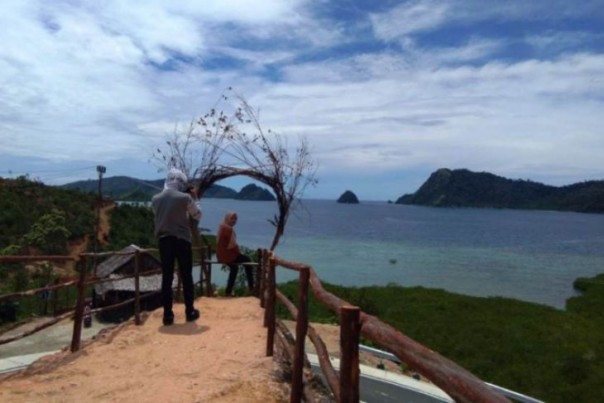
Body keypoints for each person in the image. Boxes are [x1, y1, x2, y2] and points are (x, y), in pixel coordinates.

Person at [151, 168, 201, 325]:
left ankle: (167, 315)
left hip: (164, 241)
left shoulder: (155, 199)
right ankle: (190, 312)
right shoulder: (185, 198)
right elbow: (197, 215)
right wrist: (195, 197)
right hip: (182, 241)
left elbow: (161, 213)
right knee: (186, 276)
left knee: (167, 278)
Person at [216, 212, 254, 296]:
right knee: (248, 261)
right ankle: (251, 287)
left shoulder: (221, 226)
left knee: (234, 268)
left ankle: (228, 291)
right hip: (228, 255)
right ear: (227, 218)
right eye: (232, 219)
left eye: (235, 219)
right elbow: (232, 245)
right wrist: (238, 253)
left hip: (220, 255)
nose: (234, 221)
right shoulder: (228, 229)